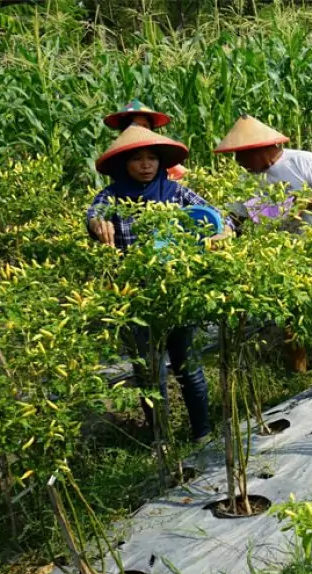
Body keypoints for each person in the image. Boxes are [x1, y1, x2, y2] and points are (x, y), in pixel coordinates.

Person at [87, 125, 234, 443]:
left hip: (179, 291)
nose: (145, 164)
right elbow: (95, 213)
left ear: (161, 162)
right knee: (150, 372)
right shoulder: (112, 197)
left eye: (151, 158)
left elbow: (217, 216)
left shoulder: (175, 193)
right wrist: (97, 223)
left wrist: (223, 232)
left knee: (188, 366)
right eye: (137, 158)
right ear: (124, 164)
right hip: (137, 297)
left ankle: (202, 434)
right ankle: (162, 439)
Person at [214, 114, 312, 372]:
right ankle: (300, 374)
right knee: (290, 317)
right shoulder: (247, 180)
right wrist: (225, 235)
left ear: (259, 149)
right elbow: (238, 218)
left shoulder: (304, 161)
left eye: (240, 155)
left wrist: (301, 202)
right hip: (284, 258)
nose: (237, 162)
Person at [104, 99, 187, 180]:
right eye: (135, 126)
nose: (140, 130)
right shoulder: (117, 155)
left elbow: (182, 174)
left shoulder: (160, 152)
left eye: (144, 126)